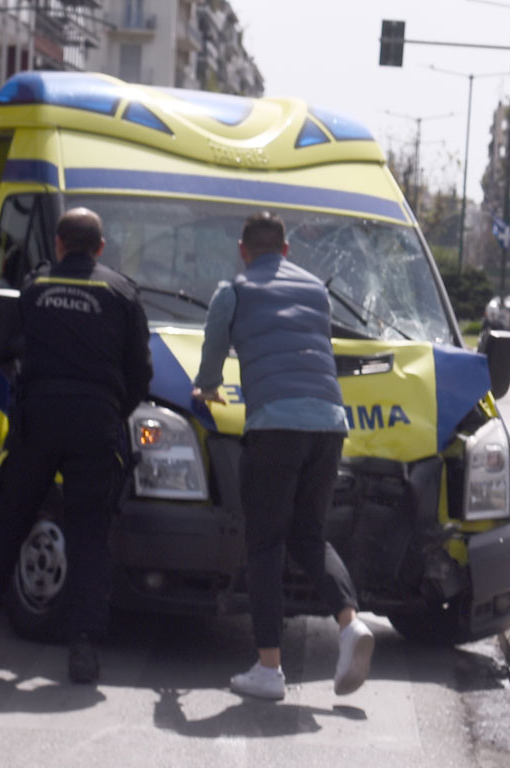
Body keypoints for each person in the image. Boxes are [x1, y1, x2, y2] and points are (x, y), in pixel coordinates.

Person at [0, 209, 151, 684]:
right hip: (96, 421)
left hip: (37, 418)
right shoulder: (122, 292)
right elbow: (141, 371)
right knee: (89, 534)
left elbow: (2, 344)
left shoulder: (34, 288)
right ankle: (83, 649)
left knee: (10, 523)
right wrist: (112, 409)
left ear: (58, 244)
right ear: (100, 248)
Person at [193, 211, 373, 701]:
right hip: (329, 425)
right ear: (288, 250)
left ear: (243, 250)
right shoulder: (315, 289)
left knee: (266, 543)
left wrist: (207, 387)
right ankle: (350, 624)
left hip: (275, 425)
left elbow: (214, 341)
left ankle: (269, 668)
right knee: (309, 534)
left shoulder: (234, 289)